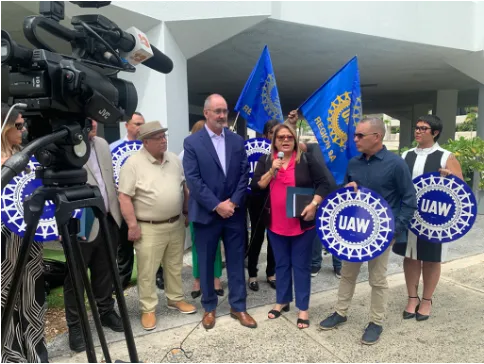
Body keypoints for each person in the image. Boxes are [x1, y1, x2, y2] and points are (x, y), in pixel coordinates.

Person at [319, 117, 417, 345]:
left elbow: (409, 200)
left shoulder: (396, 164)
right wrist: (347, 189)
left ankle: (376, 322)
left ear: (377, 137)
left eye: (360, 135)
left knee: (378, 280)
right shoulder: (354, 163)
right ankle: (340, 313)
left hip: (381, 235)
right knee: (347, 274)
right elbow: (344, 197)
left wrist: (395, 231)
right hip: (354, 232)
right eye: (355, 135)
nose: (355, 139)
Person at [183, 94, 256, 330]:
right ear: (206, 113)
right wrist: (217, 205)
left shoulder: (236, 141)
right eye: (217, 111)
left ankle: (238, 306)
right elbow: (193, 181)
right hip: (207, 214)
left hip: (233, 214)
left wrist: (233, 203)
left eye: (224, 111)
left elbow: (244, 173)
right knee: (205, 262)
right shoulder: (192, 143)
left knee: (236, 260)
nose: (222, 115)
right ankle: (209, 308)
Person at [251, 123, 332, 329]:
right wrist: (271, 171)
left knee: (301, 266)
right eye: (281, 138)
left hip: (301, 224)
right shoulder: (267, 160)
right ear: (274, 140)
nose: (285, 140)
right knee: (281, 265)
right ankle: (282, 301)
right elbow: (257, 186)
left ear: (294, 139)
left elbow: (325, 183)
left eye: (289, 137)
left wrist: (314, 204)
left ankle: (303, 308)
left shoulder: (305, 159)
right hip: (276, 224)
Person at [118, 121, 196, 331]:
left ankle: (175, 298)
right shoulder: (133, 164)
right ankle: (148, 309)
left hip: (175, 222)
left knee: (174, 265)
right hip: (148, 227)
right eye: (158, 137)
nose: (164, 140)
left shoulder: (173, 160)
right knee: (147, 270)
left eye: (164, 136)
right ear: (145, 142)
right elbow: (124, 197)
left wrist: (186, 211)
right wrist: (132, 225)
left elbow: (183, 187)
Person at [393, 115, 464, 321]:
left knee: (431, 259)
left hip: (435, 218)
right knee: (410, 256)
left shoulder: (445, 156)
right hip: (410, 216)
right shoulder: (406, 155)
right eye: (417, 127)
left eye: (424, 128)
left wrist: (451, 177)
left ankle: (426, 300)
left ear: (435, 132)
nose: (418, 131)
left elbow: (462, 189)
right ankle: (412, 298)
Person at [63, 119, 124, 352]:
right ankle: (76, 325)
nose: (94, 124)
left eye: (94, 120)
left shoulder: (102, 144)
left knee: (105, 271)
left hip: (108, 219)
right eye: (87, 119)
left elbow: (107, 180)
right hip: (80, 224)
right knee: (76, 278)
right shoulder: (66, 148)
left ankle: (106, 311)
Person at [0, 104, 48, 363]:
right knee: (4, 296)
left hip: (29, 238)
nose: (24, 129)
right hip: (3, 240)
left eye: (23, 124)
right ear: (3, 127)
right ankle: (8, 354)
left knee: (31, 294)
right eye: (18, 126)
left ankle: (34, 351)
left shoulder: (27, 156)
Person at [284, 110, 341, 278]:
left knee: (336, 231)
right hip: (318, 196)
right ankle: (315, 264)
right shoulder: (314, 147)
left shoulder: (345, 149)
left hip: (339, 197)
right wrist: (292, 124)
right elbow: (294, 143)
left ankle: (338, 265)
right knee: (316, 232)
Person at [183, 120, 224, 298]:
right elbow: (186, 183)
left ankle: (216, 278)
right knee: (198, 246)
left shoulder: (219, 151)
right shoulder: (185, 152)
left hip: (216, 206)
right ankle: (198, 279)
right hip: (197, 206)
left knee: (215, 246)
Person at [246, 119, 278, 291]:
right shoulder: (260, 154)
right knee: (257, 238)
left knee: (273, 238)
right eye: (272, 132)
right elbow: (254, 183)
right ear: (266, 135)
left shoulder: (285, 155)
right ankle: (252, 274)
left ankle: (271, 273)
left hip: (277, 203)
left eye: (277, 132)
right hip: (258, 200)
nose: (275, 136)